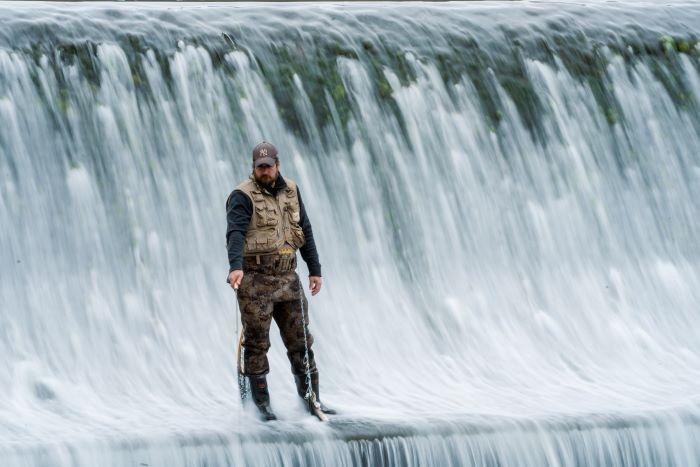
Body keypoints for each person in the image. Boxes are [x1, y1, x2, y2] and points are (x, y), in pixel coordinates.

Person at [225, 141, 335, 421]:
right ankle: (261, 407)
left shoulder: (292, 191)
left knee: (301, 340)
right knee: (257, 343)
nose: (265, 171)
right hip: (255, 282)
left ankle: (312, 400)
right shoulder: (241, 195)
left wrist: (315, 269)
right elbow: (235, 233)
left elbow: (305, 230)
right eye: (260, 167)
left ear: (277, 165)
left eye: (269, 166)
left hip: (288, 278)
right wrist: (235, 266)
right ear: (253, 168)